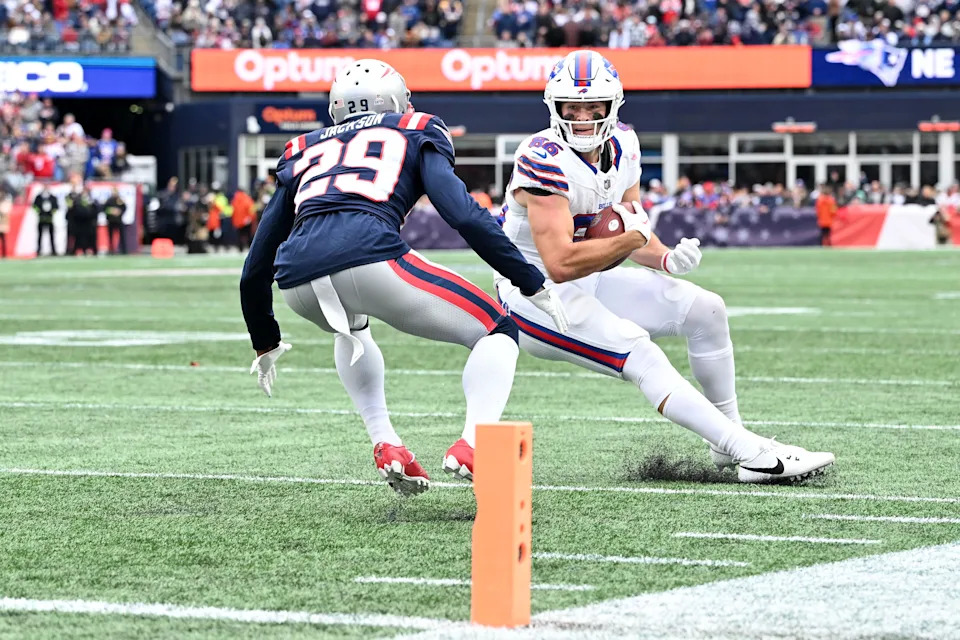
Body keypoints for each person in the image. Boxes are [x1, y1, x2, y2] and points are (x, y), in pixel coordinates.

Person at [491, 50, 834, 484]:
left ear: (612, 106)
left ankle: (727, 441)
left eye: (592, 106)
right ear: (553, 108)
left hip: (590, 278)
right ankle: (751, 453)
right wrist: (634, 239)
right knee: (639, 350)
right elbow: (560, 263)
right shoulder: (541, 157)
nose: (581, 117)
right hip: (534, 295)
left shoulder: (623, 144)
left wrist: (665, 255)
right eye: (570, 108)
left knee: (706, 309)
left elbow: (629, 227)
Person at [239, 60, 567, 496]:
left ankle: (386, 444)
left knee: (350, 327)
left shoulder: (303, 147)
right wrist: (529, 279)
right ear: (395, 101)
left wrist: (265, 338)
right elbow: (463, 214)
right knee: (499, 329)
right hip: (369, 255)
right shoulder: (415, 127)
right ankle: (473, 443)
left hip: (297, 281)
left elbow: (256, 265)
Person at [33, 184, 59, 257]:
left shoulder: (52, 197)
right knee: (40, 236)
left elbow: (56, 207)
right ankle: (39, 250)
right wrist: (40, 212)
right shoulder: (38, 197)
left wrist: (51, 213)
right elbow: (34, 206)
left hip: (50, 219)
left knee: (51, 236)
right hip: (41, 219)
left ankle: (53, 250)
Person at [103, 187, 127, 254]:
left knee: (122, 236)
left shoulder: (120, 200)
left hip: (119, 220)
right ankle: (111, 250)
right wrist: (111, 211)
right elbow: (104, 209)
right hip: (111, 220)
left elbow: (124, 208)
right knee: (110, 236)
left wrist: (120, 212)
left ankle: (124, 250)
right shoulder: (109, 200)